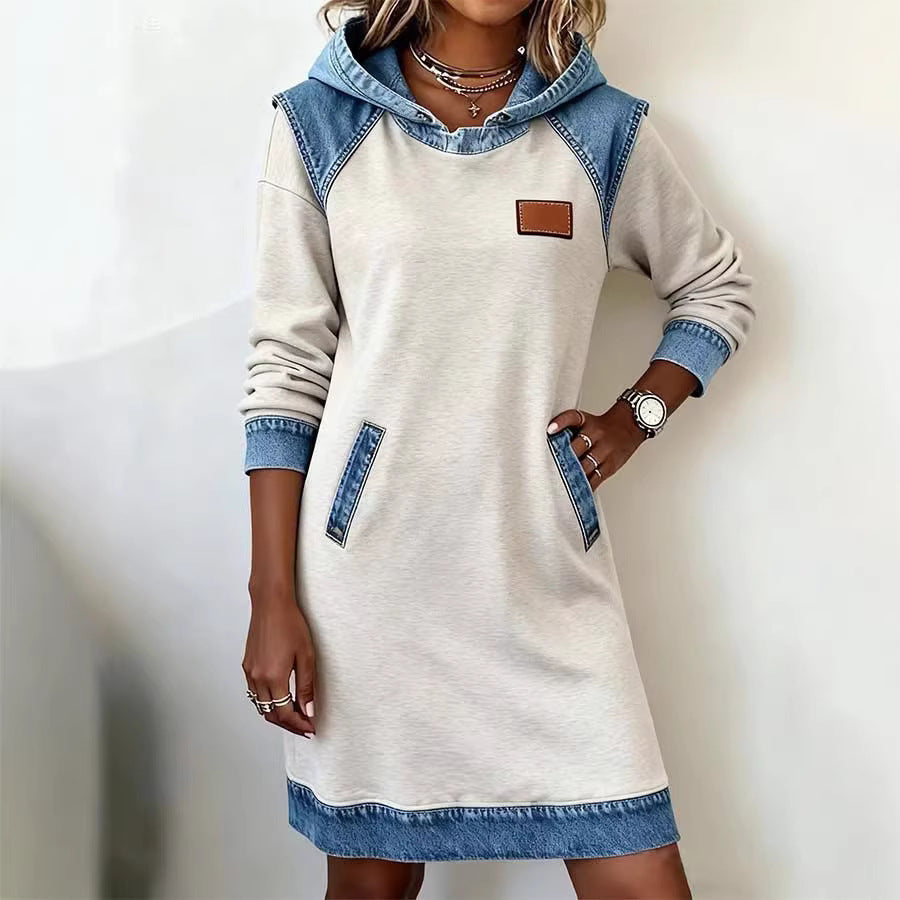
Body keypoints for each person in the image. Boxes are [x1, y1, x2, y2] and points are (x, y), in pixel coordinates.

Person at [238, 1, 755, 897]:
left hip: (544, 573)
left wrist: (635, 417)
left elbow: (717, 287)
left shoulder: (603, 131)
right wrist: (270, 595)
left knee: (642, 873)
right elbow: (286, 370)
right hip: (376, 586)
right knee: (371, 886)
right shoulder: (318, 122)